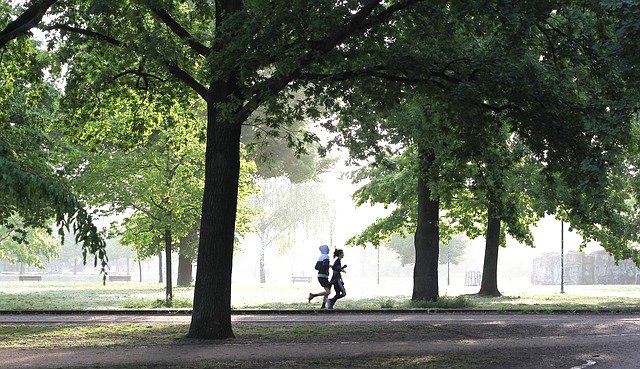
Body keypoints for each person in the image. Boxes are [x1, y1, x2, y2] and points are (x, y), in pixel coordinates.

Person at [308, 244, 331, 309]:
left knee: (327, 292)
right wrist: (329, 266)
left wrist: (322, 268)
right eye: (328, 248)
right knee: (328, 292)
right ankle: (313, 295)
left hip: (320, 275)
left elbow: (316, 267)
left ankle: (323, 306)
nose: (329, 250)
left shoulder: (320, 257)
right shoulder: (326, 257)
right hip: (324, 276)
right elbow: (325, 265)